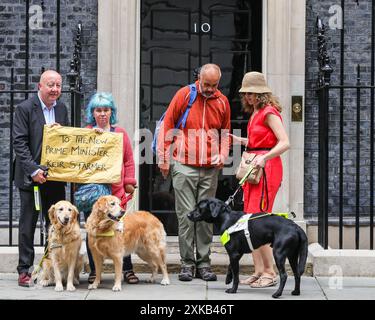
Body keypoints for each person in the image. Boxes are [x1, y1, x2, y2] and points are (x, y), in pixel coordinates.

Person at [157, 63, 231, 281]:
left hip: (210, 168)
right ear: (199, 78)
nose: (209, 89)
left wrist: (223, 154)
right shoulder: (184, 95)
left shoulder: (223, 102)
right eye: (206, 84)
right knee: (186, 216)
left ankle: (204, 263)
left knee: (207, 218)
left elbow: (225, 133)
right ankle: (187, 263)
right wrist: (163, 158)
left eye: (214, 85)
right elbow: (167, 125)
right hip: (183, 164)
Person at [231, 71, 290, 288]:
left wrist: (265, 157)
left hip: (267, 169)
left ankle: (270, 272)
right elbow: (259, 141)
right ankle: (258, 270)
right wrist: (240, 140)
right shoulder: (256, 112)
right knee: (250, 221)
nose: (248, 97)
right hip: (255, 167)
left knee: (259, 222)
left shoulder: (269, 112)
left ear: (262, 93)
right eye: (246, 93)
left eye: (252, 93)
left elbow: (284, 142)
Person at [13, 70, 69, 287]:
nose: (55, 89)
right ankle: (24, 270)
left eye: (58, 85)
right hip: (31, 179)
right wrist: (33, 170)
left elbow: (67, 140)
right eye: (50, 85)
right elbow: (19, 143)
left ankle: (52, 268)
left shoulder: (62, 108)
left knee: (54, 225)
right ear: (40, 86)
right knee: (28, 225)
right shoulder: (25, 108)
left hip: (54, 178)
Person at [84, 92, 139, 284]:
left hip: (115, 191)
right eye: (98, 110)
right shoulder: (86, 133)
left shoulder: (120, 133)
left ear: (111, 112)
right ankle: (94, 271)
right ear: (93, 113)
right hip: (94, 193)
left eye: (106, 110)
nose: (102, 114)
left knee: (120, 231)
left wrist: (129, 182)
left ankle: (127, 270)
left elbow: (128, 160)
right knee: (92, 230)